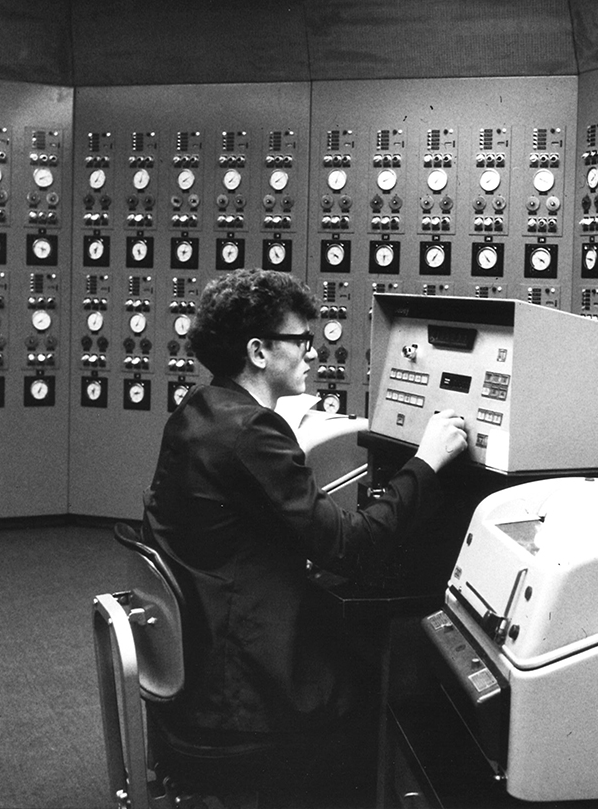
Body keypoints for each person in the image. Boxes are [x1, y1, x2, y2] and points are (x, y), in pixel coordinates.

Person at [140, 268, 467, 807]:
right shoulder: (254, 432)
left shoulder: (200, 410)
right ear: (259, 351)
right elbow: (352, 546)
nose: (313, 353)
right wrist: (427, 459)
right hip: (244, 697)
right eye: (301, 340)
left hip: (196, 672)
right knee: (381, 676)